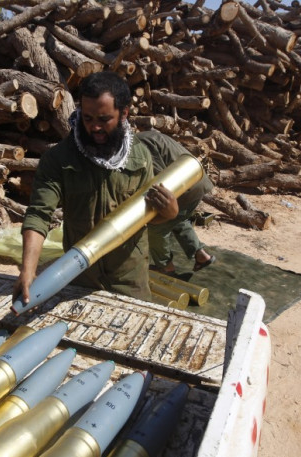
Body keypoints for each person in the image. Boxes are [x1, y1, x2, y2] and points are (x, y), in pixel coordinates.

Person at [13, 72, 178, 307]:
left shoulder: (140, 157)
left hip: (129, 279)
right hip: (80, 277)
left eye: (104, 119)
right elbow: (39, 215)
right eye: (87, 119)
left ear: (124, 114)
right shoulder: (59, 159)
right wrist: (28, 271)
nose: (95, 128)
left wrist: (169, 213)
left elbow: (146, 216)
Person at [137, 130, 216, 274]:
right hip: (198, 181)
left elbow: (160, 184)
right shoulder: (145, 136)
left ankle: (165, 267)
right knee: (180, 218)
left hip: (186, 186)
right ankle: (201, 255)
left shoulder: (137, 147)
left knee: (156, 227)